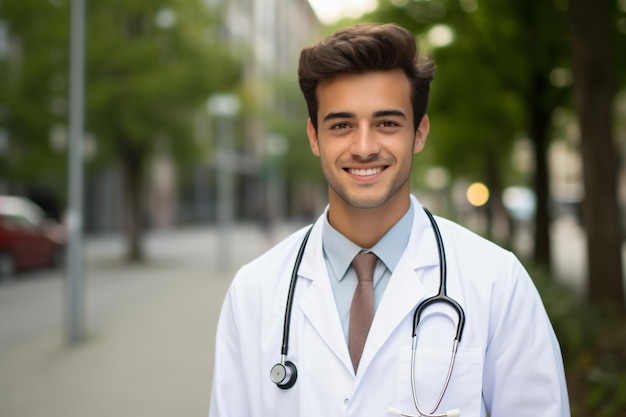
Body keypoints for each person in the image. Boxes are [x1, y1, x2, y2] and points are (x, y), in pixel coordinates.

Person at [209, 23, 570, 417]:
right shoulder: (254, 291)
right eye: (342, 125)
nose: (364, 147)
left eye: (387, 123)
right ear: (314, 137)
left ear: (418, 133)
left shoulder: (497, 281)